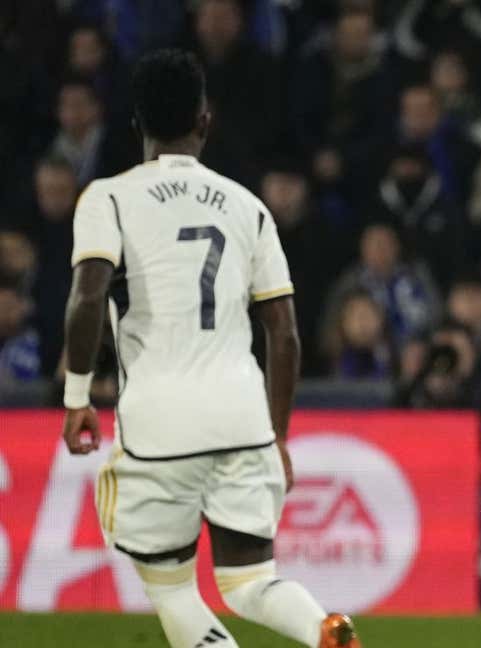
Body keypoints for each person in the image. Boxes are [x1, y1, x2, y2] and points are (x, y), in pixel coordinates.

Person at [58, 50, 360, 648]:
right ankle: (324, 629)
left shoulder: (108, 197)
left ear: (136, 124)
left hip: (159, 421)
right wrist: (276, 436)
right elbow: (284, 332)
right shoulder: (248, 206)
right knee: (251, 581)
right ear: (204, 121)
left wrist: (75, 397)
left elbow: (87, 297)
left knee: (170, 586)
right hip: (243, 416)